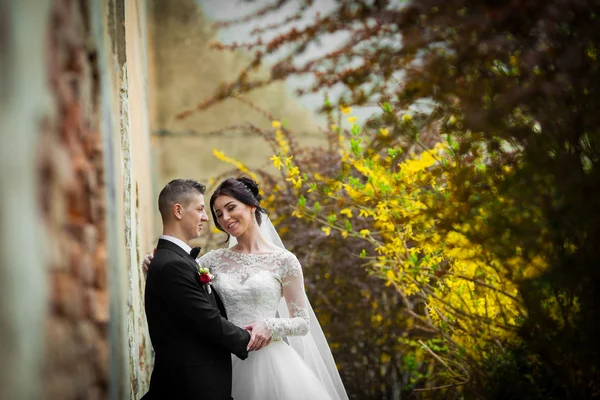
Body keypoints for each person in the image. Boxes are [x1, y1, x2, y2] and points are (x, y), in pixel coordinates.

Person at [143, 177, 348, 400]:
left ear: (251, 206)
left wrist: (270, 326)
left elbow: (302, 323)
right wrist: (152, 268)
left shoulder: (285, 261)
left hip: (270, 360)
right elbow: (182, 287)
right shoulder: (211, 261)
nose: (225, 218)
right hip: (223, 358)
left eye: (231, 208)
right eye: (219, 214)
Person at [141, 179, 256, 400]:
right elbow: (207, 319)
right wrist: (249, 339)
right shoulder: (172, 264)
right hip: (191, 388)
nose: (206, 217)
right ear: (178, 211)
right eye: (201, 209)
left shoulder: (177, 260)